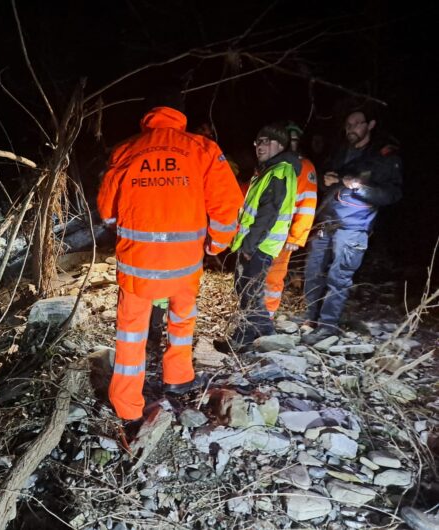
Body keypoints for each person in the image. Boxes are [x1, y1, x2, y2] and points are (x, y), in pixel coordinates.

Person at [97, 86, 243, 421]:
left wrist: (127, 229)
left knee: (131, 332)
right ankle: (178, 378)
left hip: (138, 262)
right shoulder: (203, 149)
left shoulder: (125, 150)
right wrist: (216, 245)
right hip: (185, 263)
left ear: (147, 115)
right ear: (180, 113)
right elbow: (226, 206)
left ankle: (126, 405)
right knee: (181, 321)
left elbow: (107, 209)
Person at [301, 109, 402, 344]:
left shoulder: (384, 157)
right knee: (313, 271)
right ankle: (309, 319)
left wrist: (359, 187)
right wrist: (327, 182)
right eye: (348, 124)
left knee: (339, 276)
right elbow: (329, 183)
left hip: (355, 225)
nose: (351, 128)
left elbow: (392, 194)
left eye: (357, 124)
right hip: (327, 220)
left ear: (371, 124)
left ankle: (327, 326)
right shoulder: (339, 151)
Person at [215, 122, 300, 352]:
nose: (259, 146)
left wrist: (250, 245)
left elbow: (267, 213)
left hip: (261, 245)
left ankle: (268, 338)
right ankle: (245, 338)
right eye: (257, 142)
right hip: (259, 243)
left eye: (265, 141)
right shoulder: (269, 170)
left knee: (250, 293)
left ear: (279, 144)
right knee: (246, 291)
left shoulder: (279, 171)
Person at [263, 122, 318, 318]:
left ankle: (266, 316)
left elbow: (308, 204)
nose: (292, 144)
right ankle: (250, 312)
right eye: (289, 140)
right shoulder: (269, 163)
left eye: (295, 140)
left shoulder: (304, 167)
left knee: (274, 277)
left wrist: (297, 237)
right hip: (260, 232)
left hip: (282, 235)